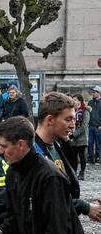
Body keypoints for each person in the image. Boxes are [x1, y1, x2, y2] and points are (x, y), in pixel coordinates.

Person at [0, 116, 89, 234]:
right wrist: (1, 231)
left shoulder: (50, 177)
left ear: (20, 145)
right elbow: (15, 215)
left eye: (3, 146)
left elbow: (56, 233)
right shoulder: (13, 173)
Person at [33, 92, 101, 222]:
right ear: (50, 120)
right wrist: (84, 206)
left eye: (74, 119)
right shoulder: (33, 153)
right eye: (68, 119)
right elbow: (45, 202)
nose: (73, 125)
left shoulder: (57, 145)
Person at [70, 94, 90, 180]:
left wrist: (74, 134)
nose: (73, 101)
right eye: (73, 99)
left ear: (80, 101)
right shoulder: (72, 110)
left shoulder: (85, 110)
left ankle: (82, 173)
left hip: (81, 137)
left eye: (75, 100)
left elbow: (84, 125)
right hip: (73, 138)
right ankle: (74, 171)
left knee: (82, 156)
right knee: (73, 156)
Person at [88, 85, 101, 164]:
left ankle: (97, 158)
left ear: (99, 93)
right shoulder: (90, 102)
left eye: (94, 92)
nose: (92, 93)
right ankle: (90, 159)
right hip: (90, 126)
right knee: (90, 143)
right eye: (92, 92)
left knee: (98, 144)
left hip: (98, 127)